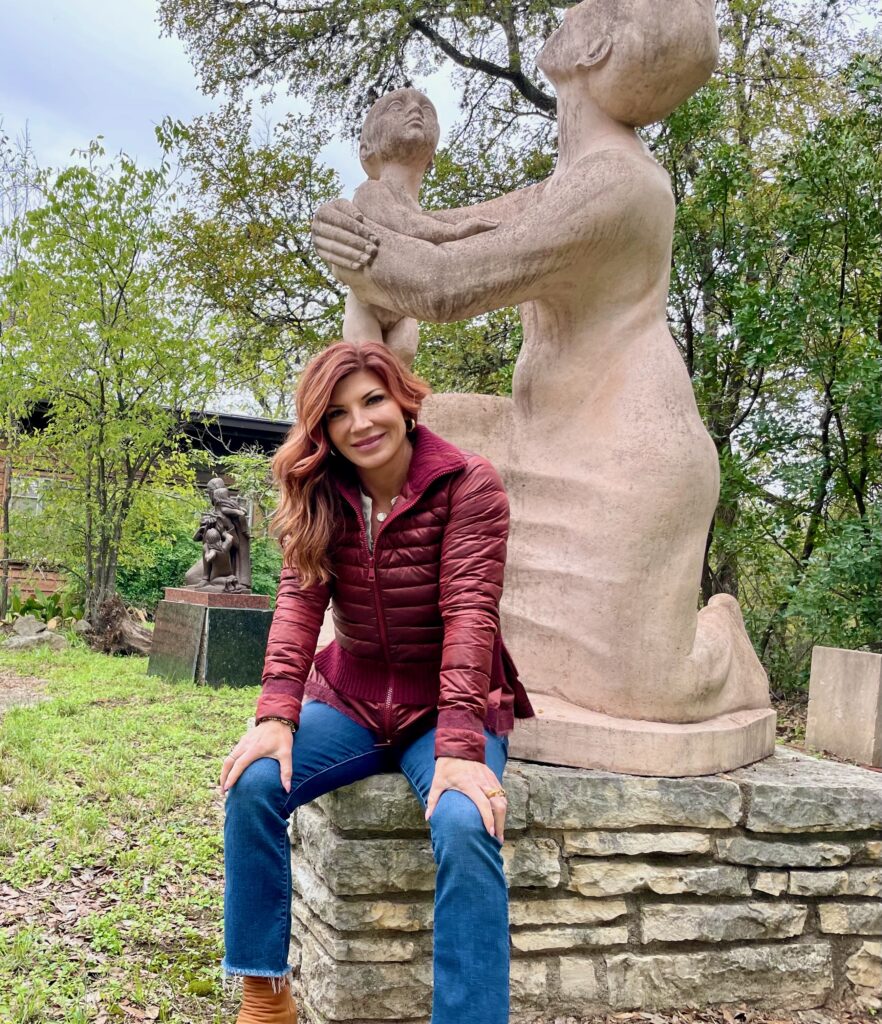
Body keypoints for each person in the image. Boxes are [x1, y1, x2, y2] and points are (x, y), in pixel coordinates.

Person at [220, 341, 533, 1024]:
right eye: (337, 414)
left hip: (450, 706)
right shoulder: (319, 491)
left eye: (372, 401)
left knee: (465, 819)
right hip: (353, 698)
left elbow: (470, 614)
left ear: (403, 401)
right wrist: (277, 712)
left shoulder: (468, 483)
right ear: (321, 429)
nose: (360, 423)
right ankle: (264, 995)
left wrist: (457, 746)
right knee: (250, 784)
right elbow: (301, 606)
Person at [343, 87, 495, 367]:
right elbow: (404, 223)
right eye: (396, 107)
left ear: (433, 153)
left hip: (404, 307)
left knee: (402, 365)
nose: (414, 110)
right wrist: (453, 232)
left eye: (426, 109)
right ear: (366, 149)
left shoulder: (423, 213)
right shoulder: (370, 192)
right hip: (366, 306)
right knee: (369, 366)